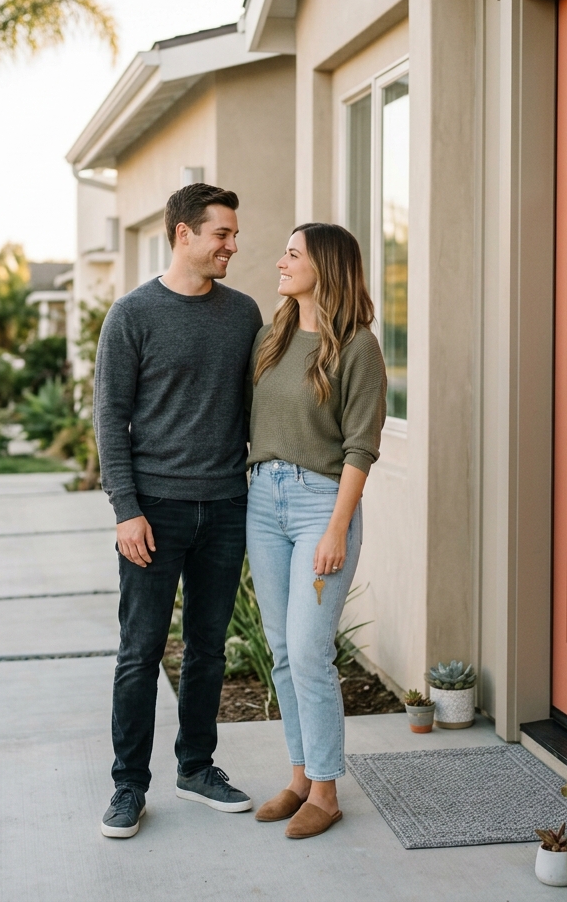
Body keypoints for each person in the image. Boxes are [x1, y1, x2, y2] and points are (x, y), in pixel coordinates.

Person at [94, 183, 263, 839]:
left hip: (225, 506)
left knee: (208, 650)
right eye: (222, 233)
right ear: (184, 234)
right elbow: (110, 417)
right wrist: (125, 508)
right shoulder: (132, 315)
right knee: (139, 653)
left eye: (234, 234)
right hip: (154, 512)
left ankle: (196, 767)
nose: (232, 245)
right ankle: (127, 787)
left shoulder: (244, 313)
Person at [245, 222, 387, 840]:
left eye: (293, 254)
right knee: (281, 650)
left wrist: (336, 529)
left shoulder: (357, 347)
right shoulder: (270, 339)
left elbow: (360, 448)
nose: (280, 262)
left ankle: (327, 792)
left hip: (320, 506)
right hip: (262, 502)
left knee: (308, 649)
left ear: (324, 267)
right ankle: (301, 776)